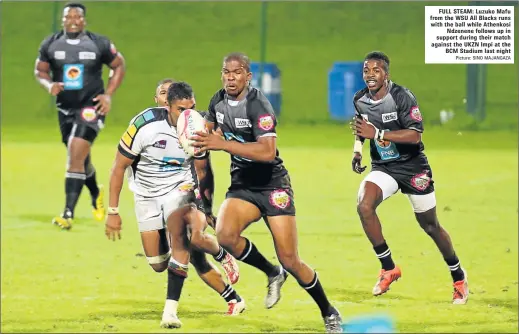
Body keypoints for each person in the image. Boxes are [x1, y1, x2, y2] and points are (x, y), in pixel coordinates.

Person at [190, 52, 343, 333]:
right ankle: (272, 273)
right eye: (226, 72)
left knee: (291, 259)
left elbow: (267, 151)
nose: (230, 77)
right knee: (225, 236)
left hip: (273, 185)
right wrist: (194, 140)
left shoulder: (258, 105)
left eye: (237, 73)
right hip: (243, 185)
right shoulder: (217, 101)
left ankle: (328, 311)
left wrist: (222, 145)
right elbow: (206, 136)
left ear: (248, 76)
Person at [104, 81, 245, 328]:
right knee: (160, 263)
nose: (188, 114)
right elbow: (118, 166)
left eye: (191, 107)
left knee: (182, 240)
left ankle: (170, 312)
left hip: (179, 190)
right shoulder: (144, 125)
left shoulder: (197, 126)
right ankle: (229, 285)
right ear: (166, 106)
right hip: (146, 196)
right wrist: (113, 211)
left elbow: (203, 169)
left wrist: (207, 207)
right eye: (181, 109)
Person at [350, 51, 469, 304]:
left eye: (376, 70)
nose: (370, 75)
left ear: (386, 74)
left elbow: (415, 135)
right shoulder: (359, 99)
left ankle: (458, 276)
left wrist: (378, 133)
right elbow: (362, 129)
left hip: (413, 168)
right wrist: (358, 152)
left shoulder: (402, 97)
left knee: (430, 226)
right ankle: (388, 267)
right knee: (364, 205)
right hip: (384, 167)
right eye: (366, 70)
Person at [34, 2, 126, 229]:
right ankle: (95, 193)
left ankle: (67, 214)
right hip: (65, 109)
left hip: (90, 108)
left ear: (84, 20)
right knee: (80, 159)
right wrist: (49, 85)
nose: (73, 19)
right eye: (68, 16)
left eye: (77, 16)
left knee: (75, 154)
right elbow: (40, 70)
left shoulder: (98, 43)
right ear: (62, 19)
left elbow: (119, 64)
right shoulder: (51, 44)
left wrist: (108, 95)